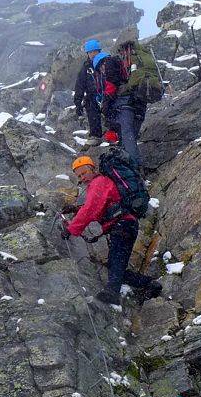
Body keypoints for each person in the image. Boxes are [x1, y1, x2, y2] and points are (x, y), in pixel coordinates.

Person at [65, 154, 162, 306]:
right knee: (115, 266)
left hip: (122, 225)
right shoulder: (101, 183)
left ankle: (112, 292)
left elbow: (90, 209)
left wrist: (71, 230)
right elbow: (99, 205)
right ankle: (149, 284)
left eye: (84, 173)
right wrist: (75, 209)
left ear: (93, 169)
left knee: (116, 262)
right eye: (79, 176)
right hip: (125, 224)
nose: (82, 178)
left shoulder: (99, 182)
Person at [92, 32, 162, 167]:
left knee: (127, 134)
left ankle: (134, 166)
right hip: (139, 102)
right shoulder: (124, 65)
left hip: (126, 105)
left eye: (100, 69)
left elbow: (111, 84)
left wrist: (105, 104)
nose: (101, 72)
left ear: (100, 63)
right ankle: (131, 165)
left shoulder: (109, 63)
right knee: (131, 135)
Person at [73, 39, 104, 139]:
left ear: (99, 51)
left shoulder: (106, 63)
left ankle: (114, 134)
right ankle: (96, 135)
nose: (93, 54)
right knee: (90, 105)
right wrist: (78, 103)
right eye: (90, 52)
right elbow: (80, 86)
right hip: (93, 96)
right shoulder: (86, 68)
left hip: (108, 93)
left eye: (95, 51)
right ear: (87, 54)